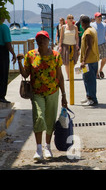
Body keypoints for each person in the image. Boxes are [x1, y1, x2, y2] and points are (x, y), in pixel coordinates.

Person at [17, 31, 67, 161]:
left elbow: (60, 77)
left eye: (44, 39)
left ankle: (47, 147)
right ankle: (38, 149)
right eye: (39, 39)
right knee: (39, 117)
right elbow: (25, 74)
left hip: (52, 92)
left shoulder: (56, 56)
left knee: (50, 120)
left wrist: (64, 95)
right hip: (37, 93)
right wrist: (19, 62)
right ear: (36, 41)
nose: (41, 41)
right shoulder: (31, 55)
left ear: (49, 41)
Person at [79, 15, 100, 106]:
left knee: (89, 80)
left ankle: (92, 99)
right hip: (93, 59)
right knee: (88, 79)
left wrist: (84, 60)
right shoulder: (92, 29)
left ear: (83, 23)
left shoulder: (88, 32)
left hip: (89, 61)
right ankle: (89, 96)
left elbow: (89, 47)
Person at [58, 14, 79, 81]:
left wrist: (77, 44)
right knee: (66, 62)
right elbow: (61, 37)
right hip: (65, 45)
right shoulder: (63, 27)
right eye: (69, 18)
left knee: (73, 61)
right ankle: (68, 76)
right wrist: (60, 46)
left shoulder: (75, 27)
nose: (71, 19)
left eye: (72, 18)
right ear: (67, 19)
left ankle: (71, 74)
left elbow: (77, 37)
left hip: (73, 45)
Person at [0, 18, 17, 103]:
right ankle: (1, 96)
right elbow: (7, 43)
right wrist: (13, 54)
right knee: (3, 74)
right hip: (2, 51)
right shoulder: (4, 27)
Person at [91, 12, 106, 79]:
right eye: (98, 16)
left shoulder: (104, 25)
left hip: (103, 43)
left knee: (104, 58)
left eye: (100, 16)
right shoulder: (92, 25)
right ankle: (96, 73)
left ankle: (100, 69)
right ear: (95, 17)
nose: (99, 18)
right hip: (95, 44)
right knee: (96, 60)